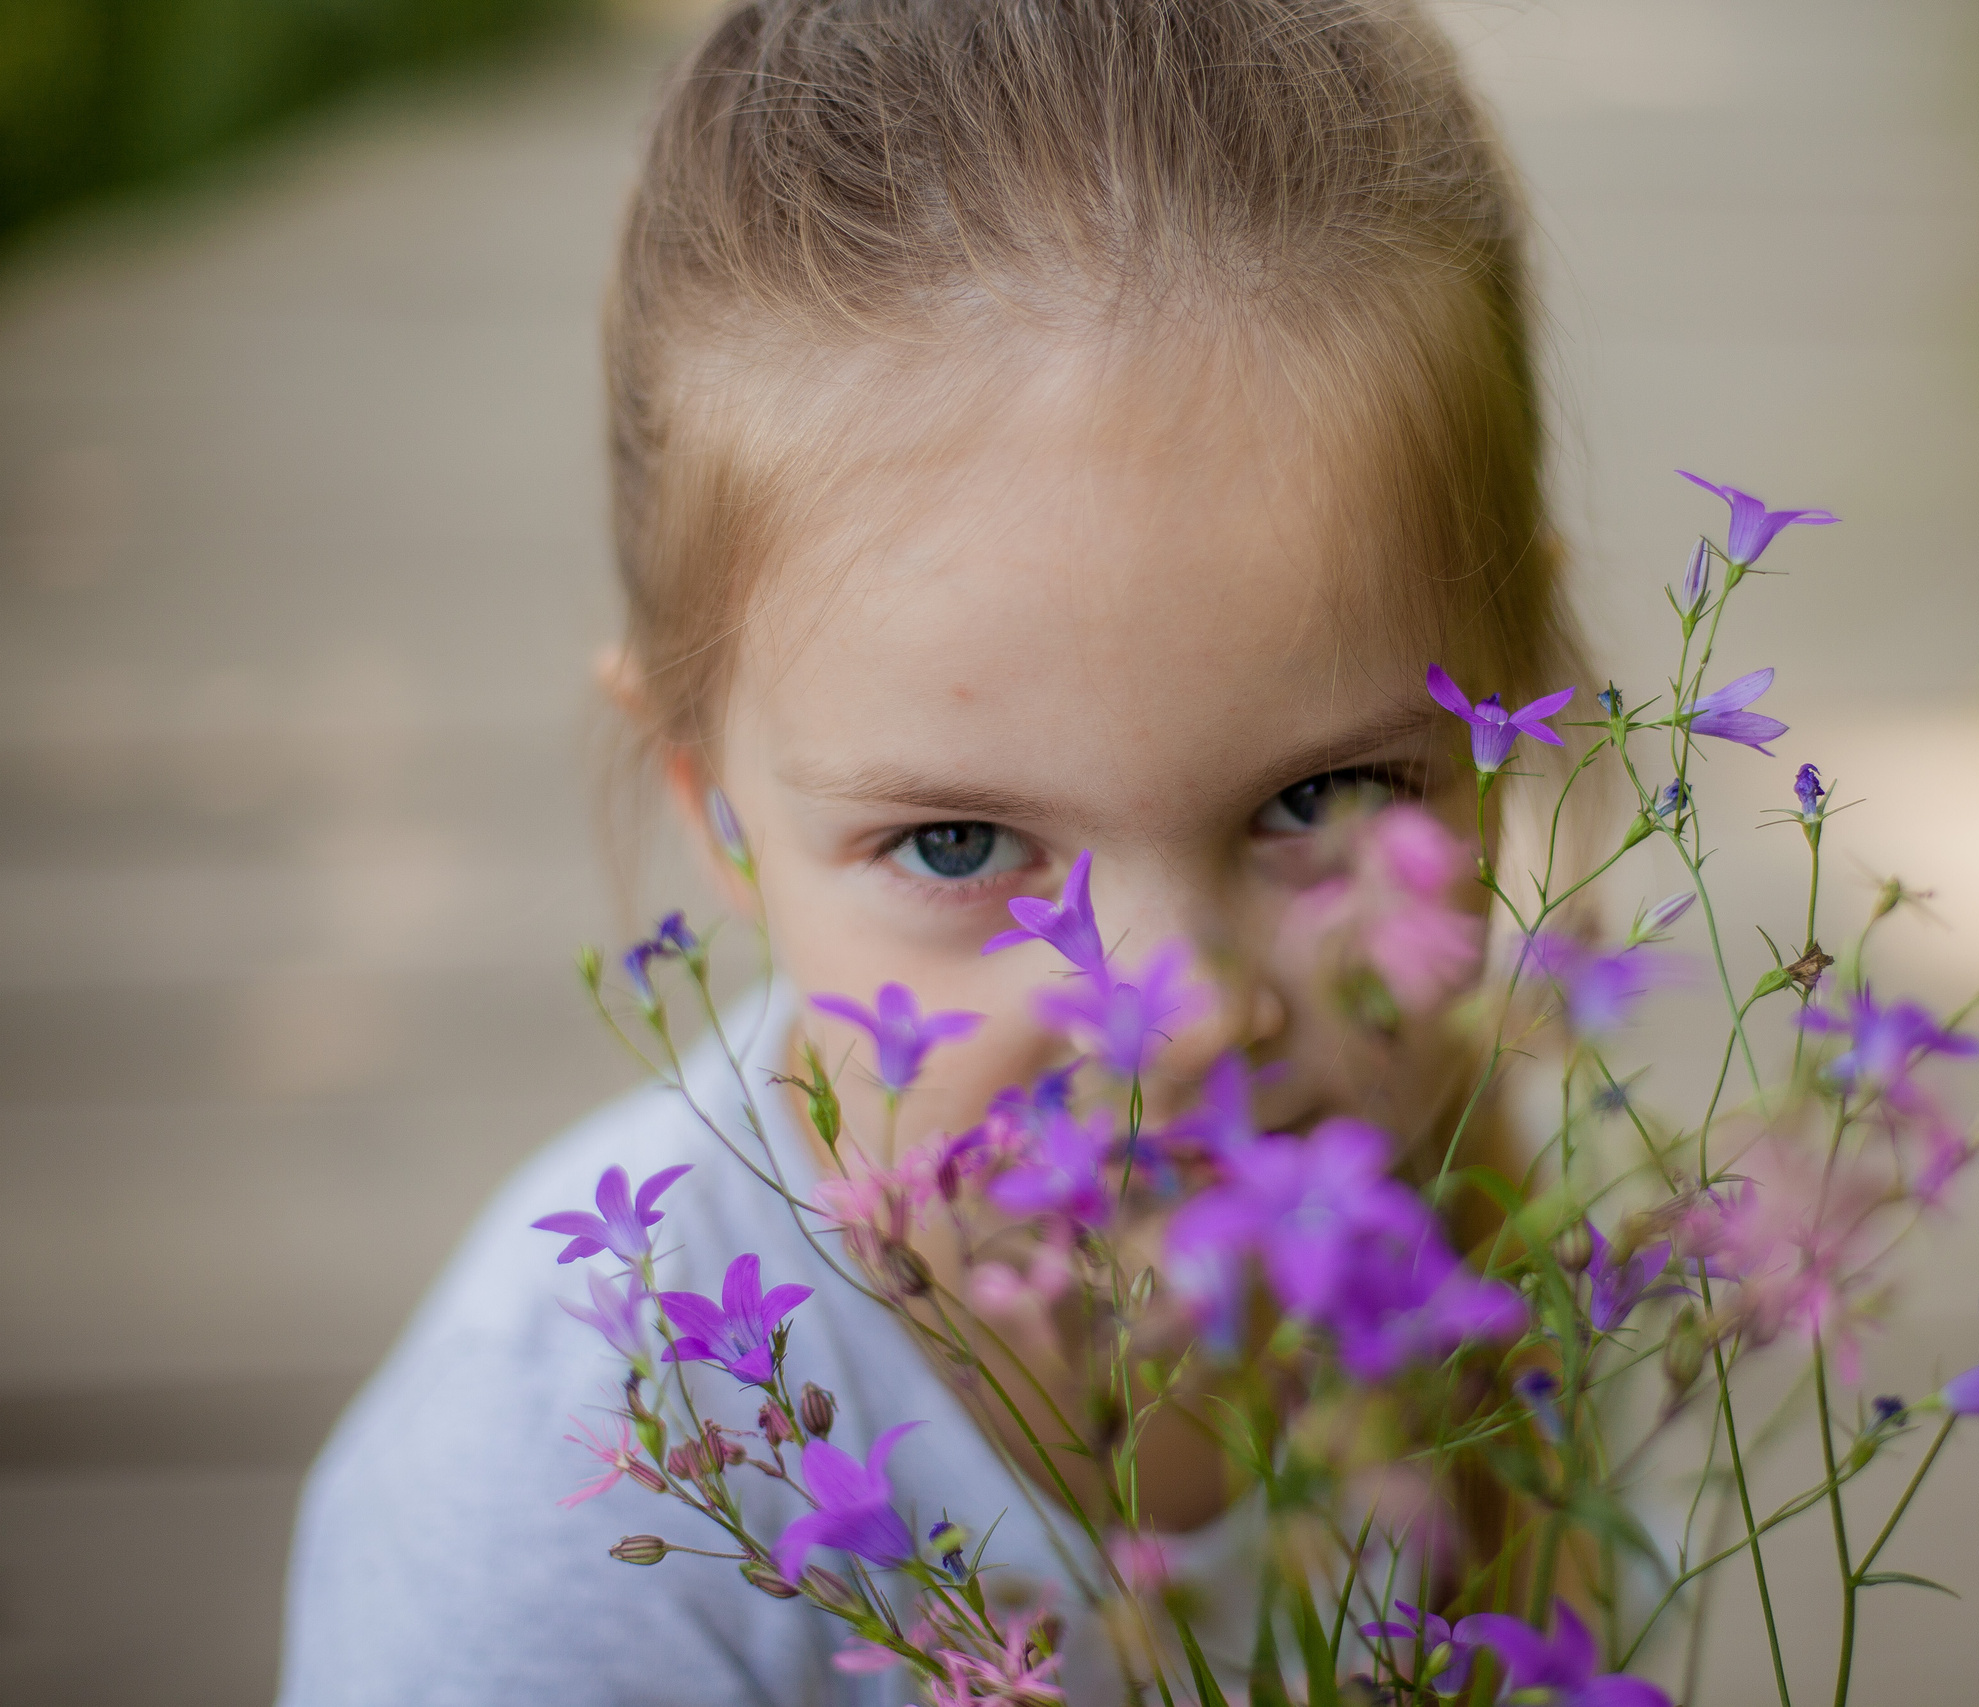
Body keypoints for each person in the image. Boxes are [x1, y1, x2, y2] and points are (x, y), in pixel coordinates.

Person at [277, 2, 1586, 1701]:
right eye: (961, 840)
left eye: (1327, 799)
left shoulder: (1459, 1187)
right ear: (713, 807)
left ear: (1528, 694)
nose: (1182, 1018)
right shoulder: (549, 1515)